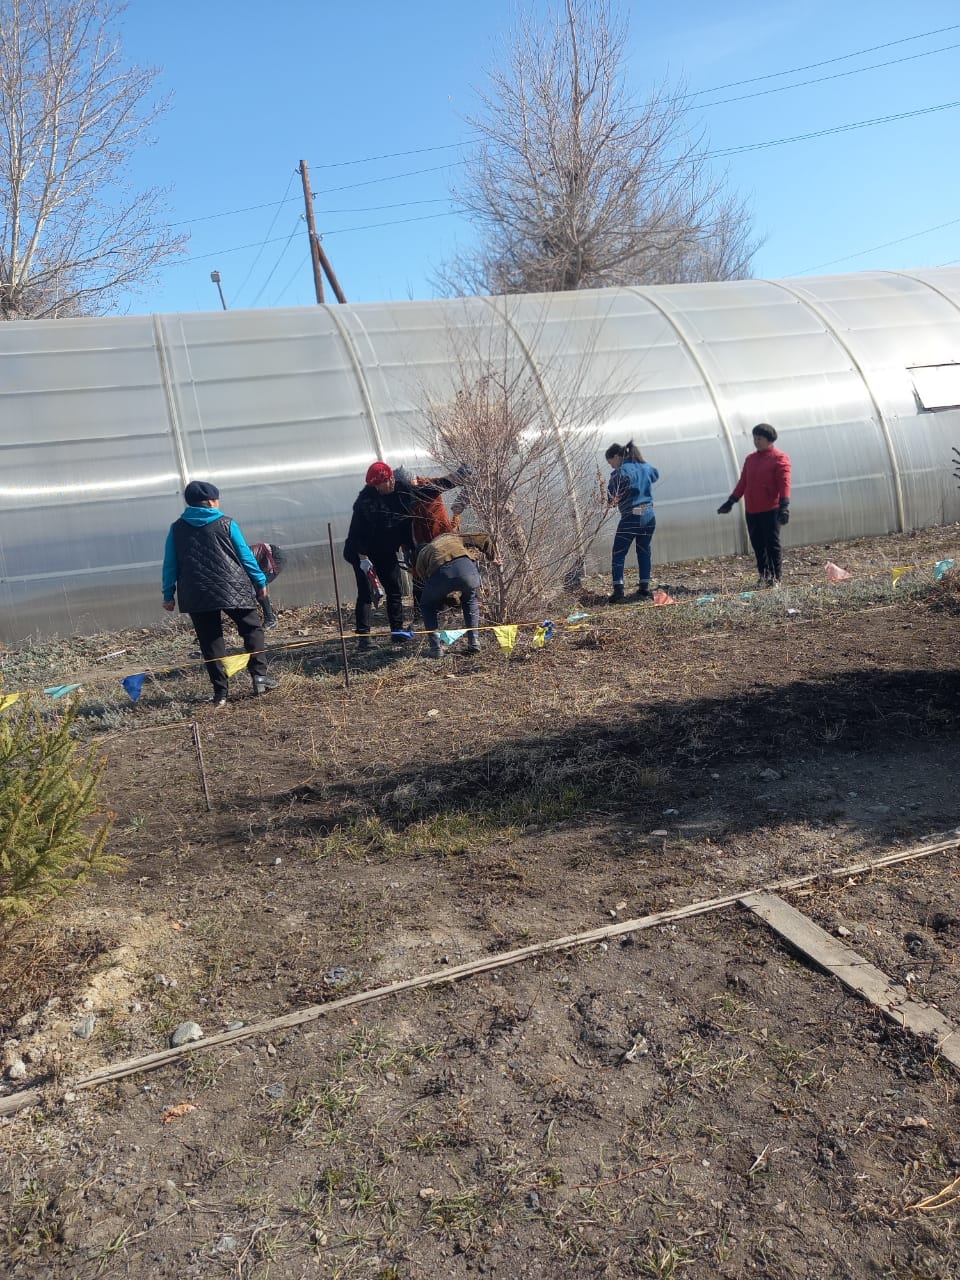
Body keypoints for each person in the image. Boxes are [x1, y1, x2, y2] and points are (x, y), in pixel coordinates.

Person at [162, 480, 278, 707]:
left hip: (196, 591)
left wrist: (168, 594)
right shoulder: (226, 523)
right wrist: (260, 581)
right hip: (232, 586)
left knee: (210, 640)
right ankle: (260, 677)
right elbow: (245, 555)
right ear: (211, 501)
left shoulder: (177, 528)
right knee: (252, 629)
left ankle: (221, 693)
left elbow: (170, 564)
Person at [343, 462, 461, 649]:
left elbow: (430, 490)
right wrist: (363, 558)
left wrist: (457, 478)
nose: (376, 488)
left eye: (379, 484)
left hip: (386, 551)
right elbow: (357, 532)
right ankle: (364, 638)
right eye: (374, 485)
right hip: (362, 552)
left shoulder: (404, 491)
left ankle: (397, 632)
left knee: (394, 590)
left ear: (390, 479)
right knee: (366, 594)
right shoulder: (366, 501)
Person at [717, 423, 792, 587]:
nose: (756, 441)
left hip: (770, 509)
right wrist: (731, 501)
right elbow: (743, 482)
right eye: (755, 438)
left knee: (772, 544)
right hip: (752, 510)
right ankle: (764, 575)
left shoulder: (779, 458)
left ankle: (776, 578)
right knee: (758, 544)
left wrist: (784, 505)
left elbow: (784, 483)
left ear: (769, 440)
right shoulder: (751, 459)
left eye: (760, 439)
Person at [415, 530, 500, 658]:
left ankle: (436, 648)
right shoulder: (450, 537)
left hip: (442, 575)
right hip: (468, 571)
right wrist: (493, 558)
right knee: (470, 600)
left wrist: (445, 598)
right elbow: (482, 537)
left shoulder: (422, 555)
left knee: (427, 605)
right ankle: (474, 643)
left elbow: (429, 584)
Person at [605, 440, 659, 603]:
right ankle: (644, 589)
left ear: (616, 457)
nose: (611, 466)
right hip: (649, 514)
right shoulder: (645, 467)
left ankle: (619, 591)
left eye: (610, 462)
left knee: (619, 552)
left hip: (632, 516)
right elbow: (655, 475)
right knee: (644, 551)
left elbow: (611, 500)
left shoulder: (619, 473)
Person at [249, 541, 286, 629]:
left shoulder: (237, 559)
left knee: (258, 587)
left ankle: (270, 620)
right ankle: (271, 615)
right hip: (266, 556)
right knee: (255, 587)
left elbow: (252, 570)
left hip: (273, 556)